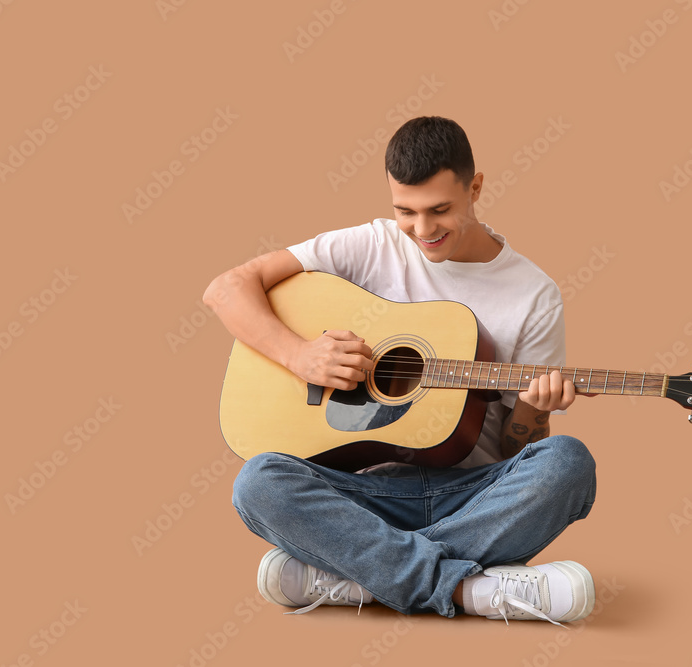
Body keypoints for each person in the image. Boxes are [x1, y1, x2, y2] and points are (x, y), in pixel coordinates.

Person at [203, 116, 597, 624]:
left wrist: (532, 409)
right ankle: (467, 590)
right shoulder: (373, 245)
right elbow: (226, 288)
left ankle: (357, 577)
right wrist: (299, 355)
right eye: (405, 211)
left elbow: (516, 449)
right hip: (363, 497)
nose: (422, 231)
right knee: (258, 482)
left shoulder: (533, 295)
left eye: (440, 210)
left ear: (475, 188)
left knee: (566, 461)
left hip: (473, 497)